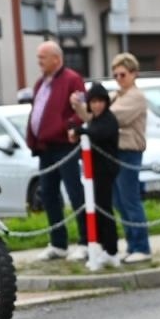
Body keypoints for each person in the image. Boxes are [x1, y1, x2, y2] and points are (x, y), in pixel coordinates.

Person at [75, 52, 151, 264]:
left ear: (134, 74)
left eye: (123, 74)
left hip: (129, 151)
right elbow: (97, 119)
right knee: (119, 201)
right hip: (117, 152)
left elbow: (107, 119)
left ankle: (142, 246)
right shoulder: (118, 95)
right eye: (115, 75)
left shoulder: (135, 96)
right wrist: (80, 108)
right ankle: (132, 244)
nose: (119, 78)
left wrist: (86, 110)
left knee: (130, 200)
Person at [24, 41, 87, 259]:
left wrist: (69, 126)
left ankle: (86, 241)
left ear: (56, 59)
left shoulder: (72, 79)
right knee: (48, 194)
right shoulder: (41, 82)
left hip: (64, 145)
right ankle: (58, 242)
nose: (39, 62)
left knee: (74, 191)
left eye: (43, 57)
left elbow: (81, 109)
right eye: (38, 57)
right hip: (45, 147)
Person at [68, 82, 120, 271]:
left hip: (105, 171)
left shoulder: (108, 120)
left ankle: (111, 250)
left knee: (104, 210)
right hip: (94, 172)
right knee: (96, 210)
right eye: (94, 102)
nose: (97, 105)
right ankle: (103, 247)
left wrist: (80, 131)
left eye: (100, 101)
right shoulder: (95, 120)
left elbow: (99, 133)